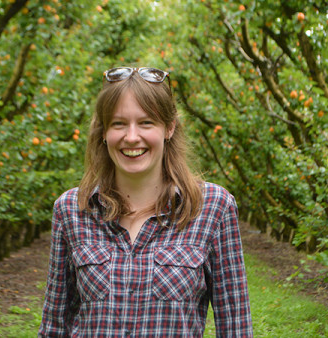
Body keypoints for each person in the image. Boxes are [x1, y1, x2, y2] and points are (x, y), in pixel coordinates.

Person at [38, 67, 252, 337]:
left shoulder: (212, 208)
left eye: (146, 122)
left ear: (169, 127)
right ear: (103, 132)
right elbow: (54, 327)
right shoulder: (71, 209)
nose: (131, 136)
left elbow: (235, 327)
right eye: (118, 123)